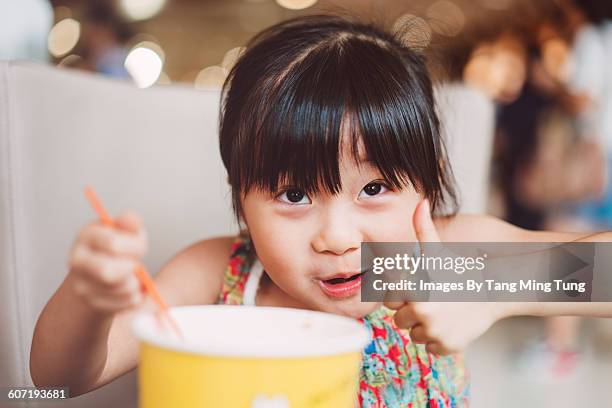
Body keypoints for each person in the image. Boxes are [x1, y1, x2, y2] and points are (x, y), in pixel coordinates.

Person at [29, 15, 612, 408]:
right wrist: (88, 299)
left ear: (428, 185)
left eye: (376, 187)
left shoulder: (445, 255)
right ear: (241, 197)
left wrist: (498, 284)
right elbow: (55, 383)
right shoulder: (219, 274)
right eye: (293, 195)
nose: (336, 236)